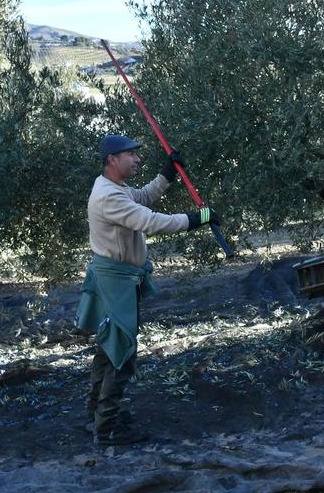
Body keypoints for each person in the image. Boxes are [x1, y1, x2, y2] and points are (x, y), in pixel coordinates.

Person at [76, 134, 221, 446]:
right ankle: (107, 429)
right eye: (131, 154)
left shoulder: (114, 187)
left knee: (108, 348)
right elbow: (151, 221)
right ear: (112, 160)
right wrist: (198, 218)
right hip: (116, 284)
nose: (137, 159)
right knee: (122, 351)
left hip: (117, 281)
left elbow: (141, 199)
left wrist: (166, 175)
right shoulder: (109, 196)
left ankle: (96, 415)